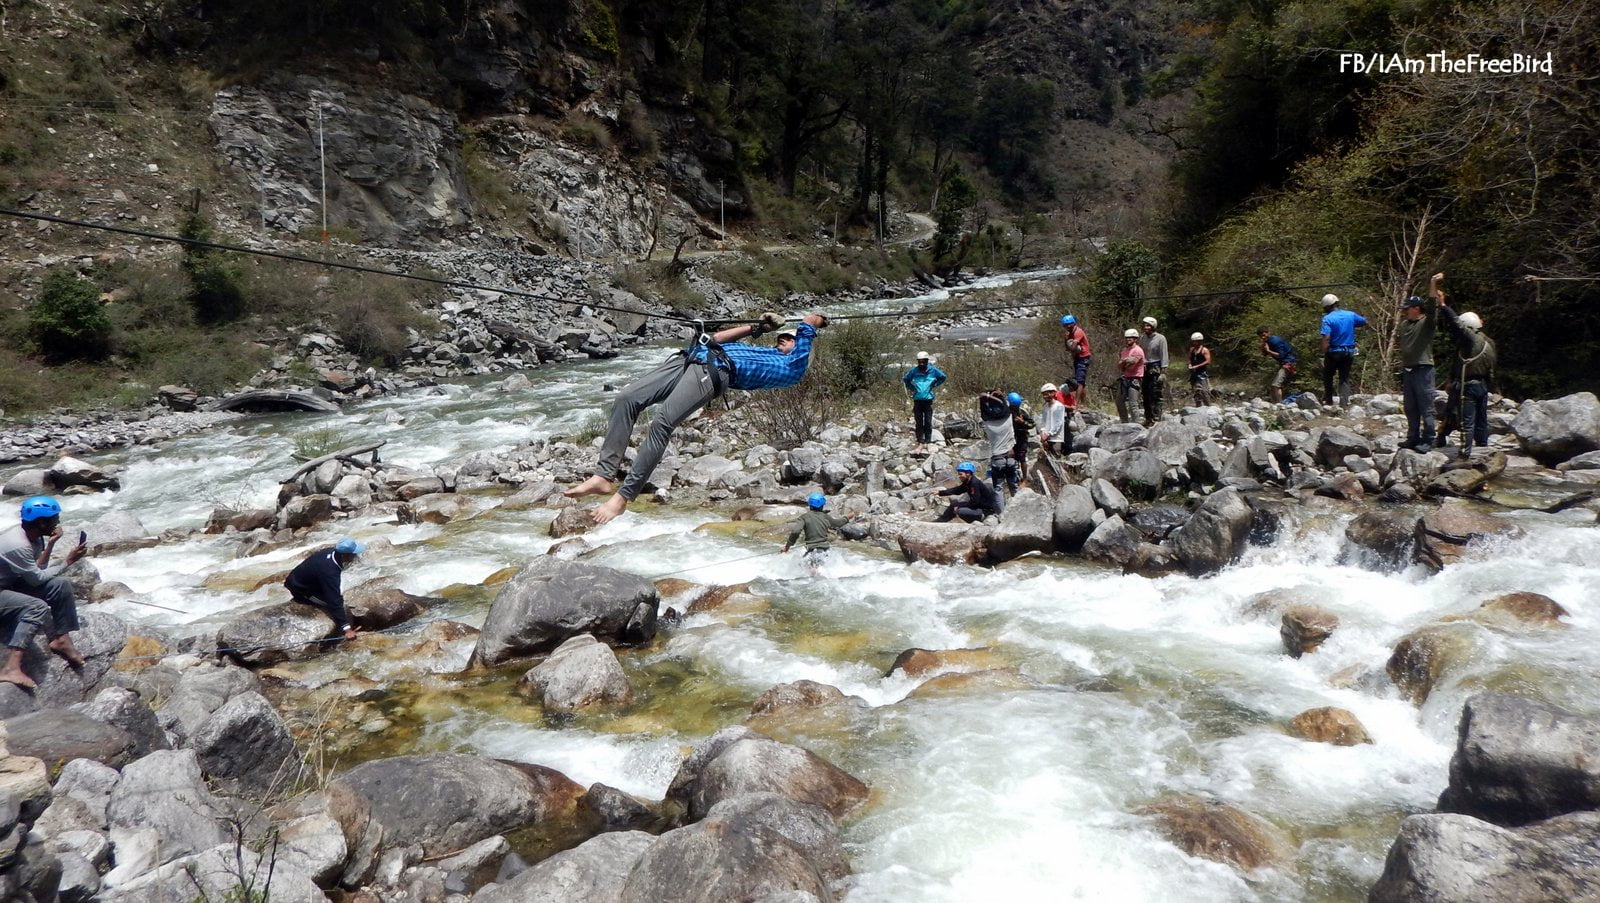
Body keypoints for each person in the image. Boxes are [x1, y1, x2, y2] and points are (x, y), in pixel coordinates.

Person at [567, 312, 829, 523]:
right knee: (627, 399)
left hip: (713, 371)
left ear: (801, 348)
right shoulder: (767, 352)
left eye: (789, 338)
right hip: (694, 358)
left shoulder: (793, 367)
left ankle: (623, 497)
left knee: (662, 423)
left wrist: (816, 321)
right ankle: (603, 477)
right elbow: (714, 338)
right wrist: (756, 327)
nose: (783, 339)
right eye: (781, 336)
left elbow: (811, 322)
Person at [0, 496, 88, 688]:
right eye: (54, 519)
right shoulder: (17, 544)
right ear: (41, 523)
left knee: (60, 584)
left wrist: (50, 544)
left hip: (8, 585)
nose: (57, 522)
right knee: (37, 608)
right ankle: (11, 668)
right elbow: (37, 579)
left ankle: (62, 640)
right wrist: (68, 561)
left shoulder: (35, 536)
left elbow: (38, 569)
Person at [1437, 303, 1496, 455]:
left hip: (1467, 385)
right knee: (1481, 420)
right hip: (1482, 385)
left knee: (1464, 420)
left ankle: (1464, 455)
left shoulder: (1470, 339)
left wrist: (1444, 306)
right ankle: (1484, 449)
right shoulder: (1489, 342)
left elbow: (1456, 323)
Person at [284, 537, 366, 642]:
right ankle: (342, 628)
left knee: (337, 602)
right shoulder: (329, 571)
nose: (356, 556)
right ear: (345, 555)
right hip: (299, 587)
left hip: (311, 581)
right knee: (332, 605)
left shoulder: (332, 553)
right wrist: (347, 629)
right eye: (353, 554)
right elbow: (333, 600)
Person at [1397, 274, 1443, 449]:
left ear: (1417, 308)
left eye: (1408, 308)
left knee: (1426, 407)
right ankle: (1413, 437)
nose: (1405, 311)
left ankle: (1428, 438)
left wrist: (1432, 283)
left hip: (1424, 370)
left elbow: (1432, 307)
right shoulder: (1405, 325)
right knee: (1410, 407)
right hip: (1408, 370)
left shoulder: (1427, 323)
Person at [1319, 293, 1367, 407]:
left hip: (1334, 352)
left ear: (1327, 306)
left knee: (1328, 375)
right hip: (1348, 352)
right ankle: (1344, 403)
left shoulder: (1327, 319)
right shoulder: (1350, 315)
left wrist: (1322, 351)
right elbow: (1364, 321)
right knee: (1344, 378)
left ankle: (1329, 401)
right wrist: (1351, 326)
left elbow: (1326, 337)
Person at [783, 492, 850, 572]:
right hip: (825, 551)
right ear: (822, 506)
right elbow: (838, 523)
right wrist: (847, 517)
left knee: (803, 568)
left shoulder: (804, 517)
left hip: (812, 551)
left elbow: (796, 531)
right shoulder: (826, 517)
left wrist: (787, 547)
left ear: (810, 505)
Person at [978, 389, 1018, 502]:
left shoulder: (987, 421)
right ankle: (1019, 506)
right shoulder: (1008, 416)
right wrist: (997, 396)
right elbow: (1004, 404)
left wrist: (985, 397)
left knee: (998, 488)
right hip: (1010, 456)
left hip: (997, 458)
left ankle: (1001, 514)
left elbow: (983, 409)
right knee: (1013, 485)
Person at [902, 351, 947, 446]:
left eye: (923, 361)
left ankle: (928, 440)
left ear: (927, 361)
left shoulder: (933, 370)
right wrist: (912, 388)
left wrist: (935, 384)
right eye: (920, 362)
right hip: (917, 399)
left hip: (928, 399)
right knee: (918, 421)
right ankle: (920, 439)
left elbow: (943, 377)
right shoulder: (914, 371)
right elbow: (906, 379)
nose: (921, 364)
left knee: (927, 421)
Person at [932, 461, 1001, 523]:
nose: (959, 476)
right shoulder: (968, 482)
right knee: (954, 505)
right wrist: (940, 492)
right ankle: (941, 521)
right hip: (977, 506)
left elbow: (975, 502)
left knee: (960, 510)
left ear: (968, 473)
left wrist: (959, 506)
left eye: (961, 474)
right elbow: (957, 490)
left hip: (984, 510)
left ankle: (980, 520)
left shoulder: (974, 483)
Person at [1137, 316, 1168, 425]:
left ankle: (1156, 418)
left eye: (1148, 325)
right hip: (1145, 367)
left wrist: (1163, 372)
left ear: (1153, 326)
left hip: (1156, 367)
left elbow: (1164, 354)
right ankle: (1148, 418)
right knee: (1145, 393)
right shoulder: (1142, 338)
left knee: (1155, 393)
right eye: (1145, 325)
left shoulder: (1160, 338)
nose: (1146, 327)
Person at [1257, 326, 1298, 403]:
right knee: (1274, 384)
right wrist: (1263, 348)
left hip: (1289, 363)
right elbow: (1264, 354)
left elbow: (1280, 355)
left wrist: (1268, 350)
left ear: (1268, 332)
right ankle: (1276, 403)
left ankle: (1280, 404)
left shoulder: (1275, 341)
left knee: (1275, 384)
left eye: (1264, 334)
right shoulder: (1267, 342)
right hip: (1284, 363)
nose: (1263, 337)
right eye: (1261, 336)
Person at [1060, 314, 1092, 406]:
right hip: (1077, 357)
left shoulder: (1078, 332)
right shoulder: (1069, 333)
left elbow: (1073, 347)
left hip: (1083, 358)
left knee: (1079, 382)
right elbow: (1067, 348)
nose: (1067, 327)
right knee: (1082, 382)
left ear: (1073, 324)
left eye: (1068, 325)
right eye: (1065, 325)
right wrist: (1065, 340)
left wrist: (1069, 343)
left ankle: (1076, 403)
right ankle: (1082, 403)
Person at [1116, 329, 1145, 423]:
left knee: (1133, 403)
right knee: (1119, 401)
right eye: (1127, 338)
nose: (1128, 339)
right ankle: (1124, 421)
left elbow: (1131, 367)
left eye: (1130, 338)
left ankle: (1136, 423)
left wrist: (1124, 362)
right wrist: (1125, 361)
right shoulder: (1124, 350)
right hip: (1125, 378)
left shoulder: (1138, 350)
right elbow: (1120, 366)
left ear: (1135, 339)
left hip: (1135, 378)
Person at [1007, 391, 1035, 486]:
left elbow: (1032, 424)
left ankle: (1025, 479)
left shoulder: (1022, 412)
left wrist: (1022, 422)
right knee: (1011, 458)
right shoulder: (1006, 413)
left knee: (1022, 458)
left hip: (1021, 438)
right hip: (1010, 439)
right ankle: (1012, 477)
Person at [1037, 383, 1068, 455]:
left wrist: (1049, 434)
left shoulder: (1059, 406)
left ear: (1053, 393)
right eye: (1044, 395)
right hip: (1046, 438)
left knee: (1056, 458)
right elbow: (1043, 421)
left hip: (1056, 438)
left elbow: (1058, 423)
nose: (1045, 397)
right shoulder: (1045, 407)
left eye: (1046, 394)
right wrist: (1043, 433)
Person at [1187, 332, 1212, 406]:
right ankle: (1198, 406)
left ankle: (1208, 406)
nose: (1194, 343)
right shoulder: (1192, 350)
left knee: (1204, 391)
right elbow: (1189, 359)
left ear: (1200, 341)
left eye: (1196, 341)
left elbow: (1208, 361)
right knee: (1196, 391)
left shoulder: (1204, 350)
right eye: (1193, 341)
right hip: (1193, 373)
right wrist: (1190, 364)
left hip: (1202, 373)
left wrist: (1197, 366)